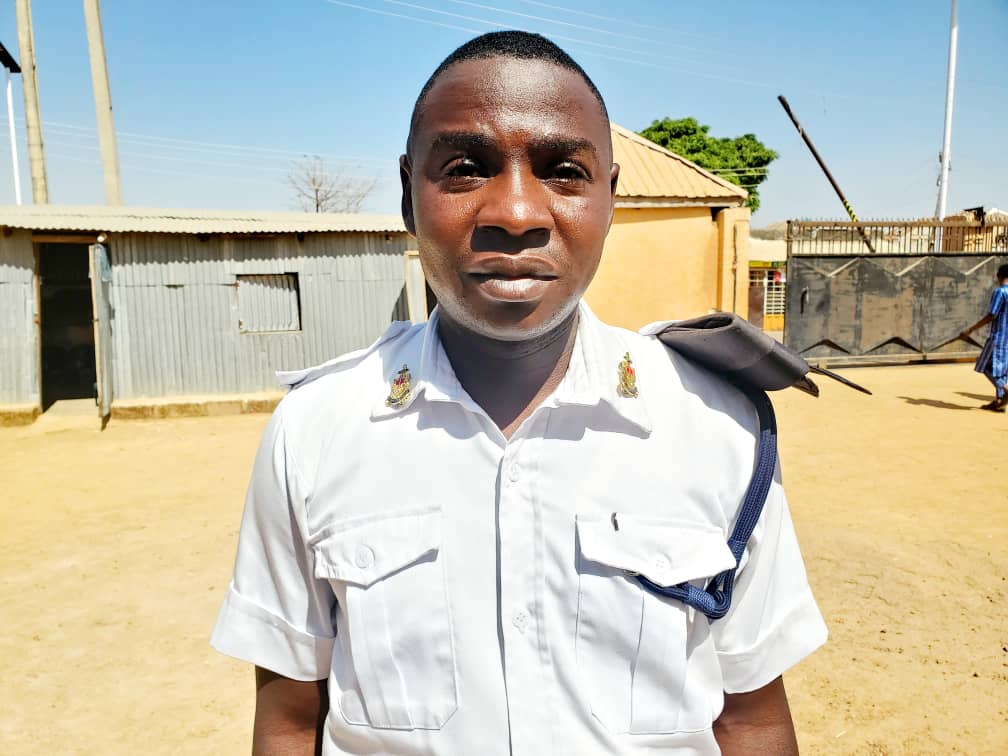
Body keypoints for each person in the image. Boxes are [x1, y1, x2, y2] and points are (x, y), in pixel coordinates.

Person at [211, 31, 827, 755]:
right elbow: (289, 720)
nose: (516, 212)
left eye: (564, 171)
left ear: (610, 198)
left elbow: (750, 719)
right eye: (465, 169)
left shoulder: (716, 425)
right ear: (409, 194)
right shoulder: (316, 430)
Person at [961, 263, 1008, 412]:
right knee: (1002, 370)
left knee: (984, 365)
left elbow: (992, 315)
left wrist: (971, 329)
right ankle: (999, 401)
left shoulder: (1000, 292)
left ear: (999, 276)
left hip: (998, 337)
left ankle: (1005, 390)